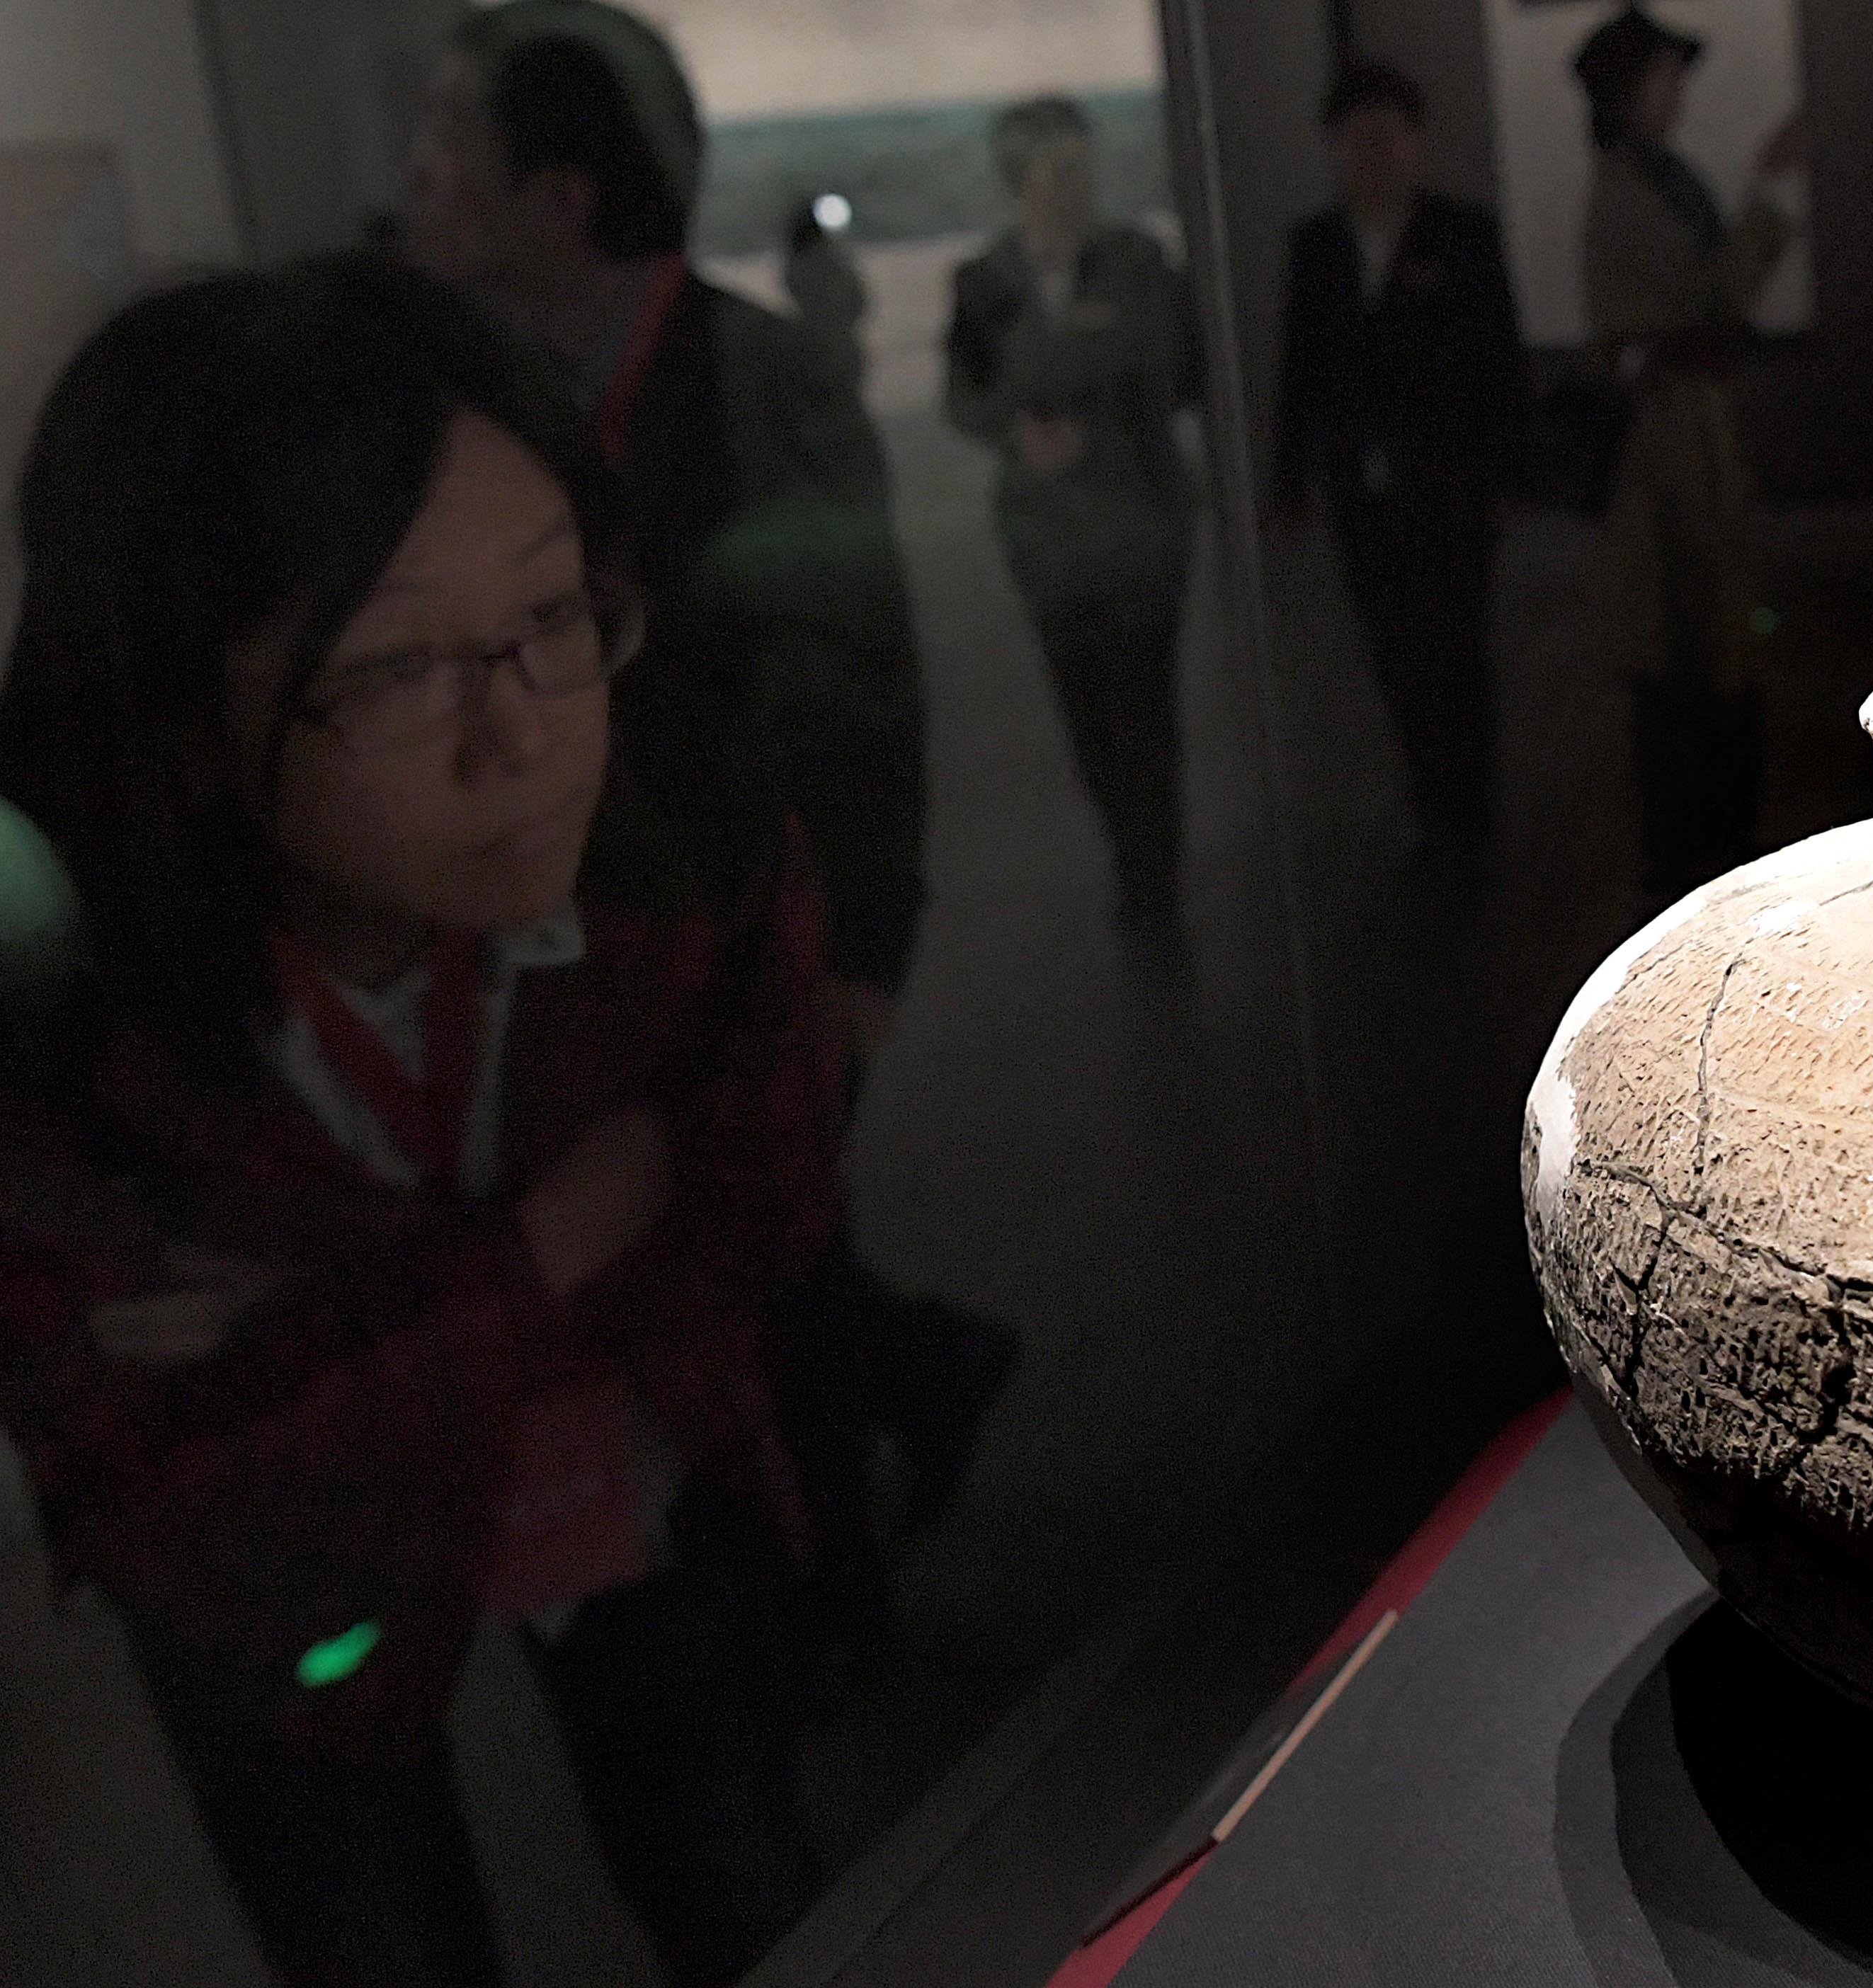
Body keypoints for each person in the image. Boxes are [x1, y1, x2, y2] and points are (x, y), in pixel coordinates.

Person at [0, 256, 836, 1988]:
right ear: (180, 717)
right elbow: (170, 1502)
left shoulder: (677, 850)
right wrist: (536, 1252)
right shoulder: (64, 1022)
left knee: (748, 1885)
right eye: (390, 673)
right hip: (298, 1623)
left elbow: (760, 1211)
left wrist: (322, 1329)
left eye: (552, 615)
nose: (520, 738)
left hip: (636, 1504)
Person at [407, 0, 1015, 1609]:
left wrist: (864, 941)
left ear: (561, 195)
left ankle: (836, 1577)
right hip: (586, 938)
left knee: (761, 1242)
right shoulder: (484, 390)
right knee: (721, 1244)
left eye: (452, 139)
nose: (418, 175)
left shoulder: (750, 369)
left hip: (749, 916)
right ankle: (906, 1406)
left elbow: (856, 673)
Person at [945, 96, 1204, 941]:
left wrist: (1068, 373)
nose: (1079, 185)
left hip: (1140, 520)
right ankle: (1132, 855)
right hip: (1047, 536)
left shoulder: (1136, 259)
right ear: (1021, 178)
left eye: (1085, 166)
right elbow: (963, 398)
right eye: (1061, 170)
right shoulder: (983, 283)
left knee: (1144, 707)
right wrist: (1018, 429)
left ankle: (1154, 882)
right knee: (1088, 713)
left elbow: (1173, 367)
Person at [1275, 60, 1530, 883]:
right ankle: (1430, 810)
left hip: (1452, 486)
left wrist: (1510, 475)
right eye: (1357, 139)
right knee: (1393, 655)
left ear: (1415, 144)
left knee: (1458, 649)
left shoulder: (1462, 234)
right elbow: (1298, 369)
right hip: (1363, 490)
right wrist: (1289, 480)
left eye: (1388, 137)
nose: (1374, 155)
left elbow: (1500, 360)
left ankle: (1471, 819)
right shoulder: (1317, 247)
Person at [1573, 4, 1804, 903]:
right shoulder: (1631, 195)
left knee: (1703, 634)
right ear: (1626, 93)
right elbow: (1717, 298)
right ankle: (1693, 853)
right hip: (1666, 451)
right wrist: (1770, 188)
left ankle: (1709, 839)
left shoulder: (1658, 179)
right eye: (1663, 77)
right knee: (1684, 642)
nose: (1677, 94)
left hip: (1687, 440)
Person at [784, 198, 872, 396]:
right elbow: (858, 301)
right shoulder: (832, 260)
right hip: (836, 344)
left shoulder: (800, 264)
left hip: (818, 344)